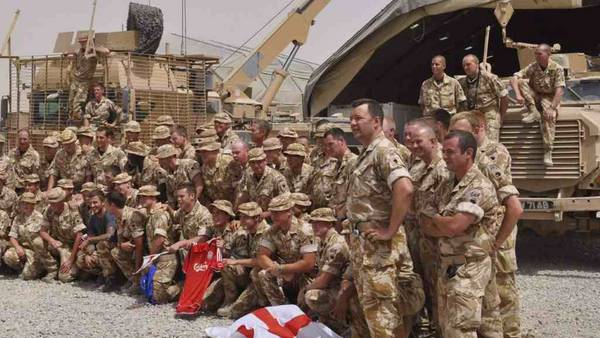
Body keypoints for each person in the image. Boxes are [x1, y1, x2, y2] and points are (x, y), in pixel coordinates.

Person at [346, 98, 417, 338]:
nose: (353, 123)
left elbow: (405, 188)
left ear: (376, 122)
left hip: (379, 249)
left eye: (359, 118)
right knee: (378, 315)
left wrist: (390, 229)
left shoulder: (383, 150)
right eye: (351, 119)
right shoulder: (367, 152)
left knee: (382, 318)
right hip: (365, 246)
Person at [420, 130, 502, 338]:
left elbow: (453, 226)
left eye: (450, 152)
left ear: (468, 153)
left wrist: (438, 220)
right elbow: (424, 223)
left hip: (470, 268)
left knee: (460, 330)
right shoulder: (447, 184)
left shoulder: (478, 187)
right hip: (448, 265)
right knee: (448, 326)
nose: (445, 157)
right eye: (444, 152)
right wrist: (441, 222)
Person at [450, 111, 523, 338]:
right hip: (478, 238)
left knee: (504, 294)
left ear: (479, 128)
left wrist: (497, 242)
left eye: (461, 131)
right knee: (483, 296)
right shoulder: (467, 156)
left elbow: (511, 204)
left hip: (498, 233)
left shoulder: (493, 153)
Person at [408, 121, 449, 336]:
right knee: (427, 287)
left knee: (440, 291)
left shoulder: (443, 170)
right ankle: (433, 327)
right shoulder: (421, 167)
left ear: (433, 142)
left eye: (419, 142)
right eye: (412, 142)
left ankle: (440, 330)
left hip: (438, 243)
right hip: (423, 240)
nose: (414, 146)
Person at [254, 193, 317, 306]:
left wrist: (283, 269)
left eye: (278, 212)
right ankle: (281, 309)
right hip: (285, 274)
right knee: (263, 274)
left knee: (306, 308)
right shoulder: (271, 232)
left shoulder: (305, 230)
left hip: (307, 276)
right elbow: (262, 256)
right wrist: (279, 271)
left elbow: (308, 263)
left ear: (289, 212)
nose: (273, 216)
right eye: (272, 212)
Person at [511, 44, 565, 166]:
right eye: (535, 54)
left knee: (548, 116)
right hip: (535, 96)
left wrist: (552, 108)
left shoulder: (557, 69)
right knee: (520, 81)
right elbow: (514, 78)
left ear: (548, 54)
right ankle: (533, 112)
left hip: (550, 97)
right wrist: (518, 94)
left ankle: (548, 150)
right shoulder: (533, 66)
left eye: (539, 54)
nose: (536, 56)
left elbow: (560, 91)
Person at [301, 207, 351, 334]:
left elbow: (323, 281)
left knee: (310, 296)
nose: (314, 226)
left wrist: (306, 289)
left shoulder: (336, 245)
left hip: (343, 291)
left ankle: (341, 326)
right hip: (332, 286)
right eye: (312, 222)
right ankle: (325, 320)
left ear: (329, 223)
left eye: (319, 222)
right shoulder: (323, 241)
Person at [219, 202, 270, 318]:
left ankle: (265, 305)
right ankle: (230, 300)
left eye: (245, 217)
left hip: (266, 275)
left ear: (257, 218)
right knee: (226, 265)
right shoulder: (244, 230)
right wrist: (222, 247)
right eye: (240, 216)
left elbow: (262, 261)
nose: (241, 220)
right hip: (250, 273)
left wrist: (236, 262)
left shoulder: (267, 233)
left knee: (235, 312)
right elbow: (228, 250)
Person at [139, 185, 180, 304]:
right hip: (157, 257)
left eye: (145, 197)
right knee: (145, 288)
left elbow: (160, 239)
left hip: (166, 259)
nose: (141, 200)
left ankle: (181, 287)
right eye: (140, 197)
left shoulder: (160, 214)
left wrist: (150, 258)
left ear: (153, 198)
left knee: (157, 298)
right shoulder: (151, 214)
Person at [3, 192, 56, 282]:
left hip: (38, 252)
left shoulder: (39, 218)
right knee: (8, 255)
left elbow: (44, 239)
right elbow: (12, 236)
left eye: (28, 203)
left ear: (33, 204)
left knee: (27, 276)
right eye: (23, 203)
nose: (25, 205)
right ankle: (25, 267)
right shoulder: (18, 218)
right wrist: (18, 247)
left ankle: (50, 269)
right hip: (25, 250)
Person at [39, 188, 86, 283]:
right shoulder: (49, 210)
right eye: (50, 202)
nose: (52, 205)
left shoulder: (72, 210)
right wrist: (52, 240)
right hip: (61, 245)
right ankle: (52, 269)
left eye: (54, 202)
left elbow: (79, 235)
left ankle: (81, 271)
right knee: (38, 242)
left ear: (61, 201)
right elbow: (42, 231)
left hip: (74, 246)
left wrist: (71, 259)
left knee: (64, 277)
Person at [458, 54, 509, 141]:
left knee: (490, 145)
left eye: (468, 64)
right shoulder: (462, 82)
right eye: (464, 65)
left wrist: (501, 116)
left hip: (489, 116)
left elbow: (504, 97)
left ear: (477, 64)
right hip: (473, 117)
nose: (466, 67)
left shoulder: (490, 78)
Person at [75, 190, 118, 291]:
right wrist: (87, 253)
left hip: (112, 246)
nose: (92, 205)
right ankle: (101, 274)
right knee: (81, 257)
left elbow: (109, 235)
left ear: (103, 202)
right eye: (90, 203)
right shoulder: (93, 218)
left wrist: (90, 240)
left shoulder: (109, 215)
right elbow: (90, 236)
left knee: (102, 245)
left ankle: (111, 279)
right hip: (100, 248)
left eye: (95, 202)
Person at [203, 200, 240, 312]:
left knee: (226, 265)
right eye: (213, 213)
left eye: (219, 213)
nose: (215, 216)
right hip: (217, 273)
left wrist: (223, 249)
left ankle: (230, 301)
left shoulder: (236, 230)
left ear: (227, 215)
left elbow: (237, 257)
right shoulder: (213, 229)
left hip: (235, 273)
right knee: (204, 304)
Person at [106, 191, 147, 295]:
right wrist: (121, 245)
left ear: (112, 205)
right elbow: (121, 239)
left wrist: (138, 268)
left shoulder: (132, 216)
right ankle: (132, 280)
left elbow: (140, 244)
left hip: (145, 250)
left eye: (106, 203)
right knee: (114, 251)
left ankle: (137, 281)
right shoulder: (118, 216)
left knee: (117, 252)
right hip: (132, 247)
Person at [64, 36, 110, 121]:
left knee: (77, 103)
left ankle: (82, 120)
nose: (82, 44)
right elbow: (69, 53)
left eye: (84, 42)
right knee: (70, 103)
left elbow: (106, 51)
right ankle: (73, 120)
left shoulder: (93, 51)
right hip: (75, 80)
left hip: (84, 81)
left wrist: (92, 48)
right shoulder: (79, 51)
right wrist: (68, 54)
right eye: (81, 42)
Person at [236, 148, 290, 213]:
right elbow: (243, 195)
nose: (256, 166)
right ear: (249, 163)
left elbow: (286, 203)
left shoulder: (277, 178)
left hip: (272, 217)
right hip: (252, 215)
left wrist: (267, 214)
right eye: (253, 162)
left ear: (265, 161)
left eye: (259, 162)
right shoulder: (247, 174)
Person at [167, 183, 213, 255]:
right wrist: (167, 207)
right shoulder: (183, 209)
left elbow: (203, 238)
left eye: (182, 196)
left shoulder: (203, 214)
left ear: (192, 196)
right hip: (187, 255)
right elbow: (175, 216)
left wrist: (181, 243)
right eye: (177, 197)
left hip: (200, 256)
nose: (178, 199)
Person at [323, 127, 357, 220]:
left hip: (346, 219)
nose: (327, 148)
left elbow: (355, 195)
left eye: (331, 144)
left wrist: (341, 216)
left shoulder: (354, 163)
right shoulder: (336, 164)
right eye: (325, 145)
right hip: (334, 217)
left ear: (341, 141)